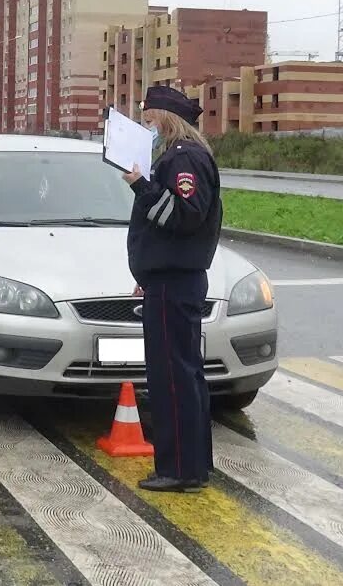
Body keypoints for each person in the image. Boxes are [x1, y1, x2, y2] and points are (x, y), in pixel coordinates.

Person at [120, 85, 222, 492]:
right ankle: (193, 465)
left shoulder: (183, 159)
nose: (148, 128)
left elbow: (184, 216)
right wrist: (150, 275)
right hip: (170, 280)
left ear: (166, 118)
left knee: (172, 378)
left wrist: (141, 186)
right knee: (186, 373)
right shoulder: (184, 157)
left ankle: (178, 470)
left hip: (175, 283)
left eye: (150, 119)